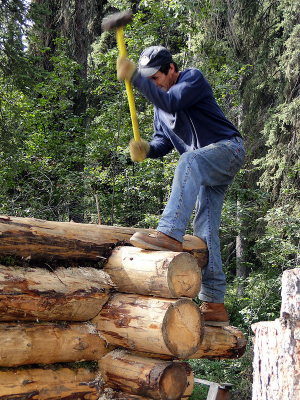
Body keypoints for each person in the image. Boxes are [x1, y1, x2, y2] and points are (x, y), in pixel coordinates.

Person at [117, 46, 245, 326]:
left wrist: (135, 78)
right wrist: (146, 149)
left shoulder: (192, 79)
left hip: (228, 150)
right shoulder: (159, 108)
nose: (153, 84)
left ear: (171, 69)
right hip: (203, 166)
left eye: (155, 78)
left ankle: (170, 233)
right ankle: (214, 303)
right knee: (205, 232)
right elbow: (162, 142)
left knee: (189, 160)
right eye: (148, 80)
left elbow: (172, 102)